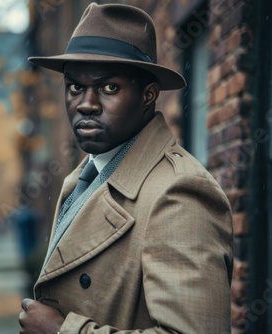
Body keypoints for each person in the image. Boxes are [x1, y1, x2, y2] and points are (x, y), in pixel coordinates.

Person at [19, 3, 233, 334]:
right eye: (75, 86)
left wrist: (64, 331)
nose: (86, 103)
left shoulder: (178, 193)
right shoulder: (81, 178)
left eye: (108, 87)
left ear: (148, 95)